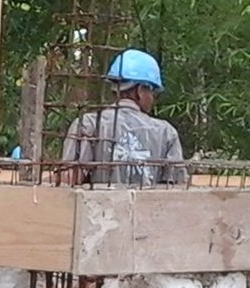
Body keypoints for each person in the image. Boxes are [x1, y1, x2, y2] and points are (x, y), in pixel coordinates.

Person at [59, 49, 187, 186]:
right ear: (140, 90)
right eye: (152, 92)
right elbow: (176, 189)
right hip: (148, 207)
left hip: (99, 206)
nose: (152, 98)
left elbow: (68, 179)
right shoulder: (166, 132)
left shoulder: (88, 124)